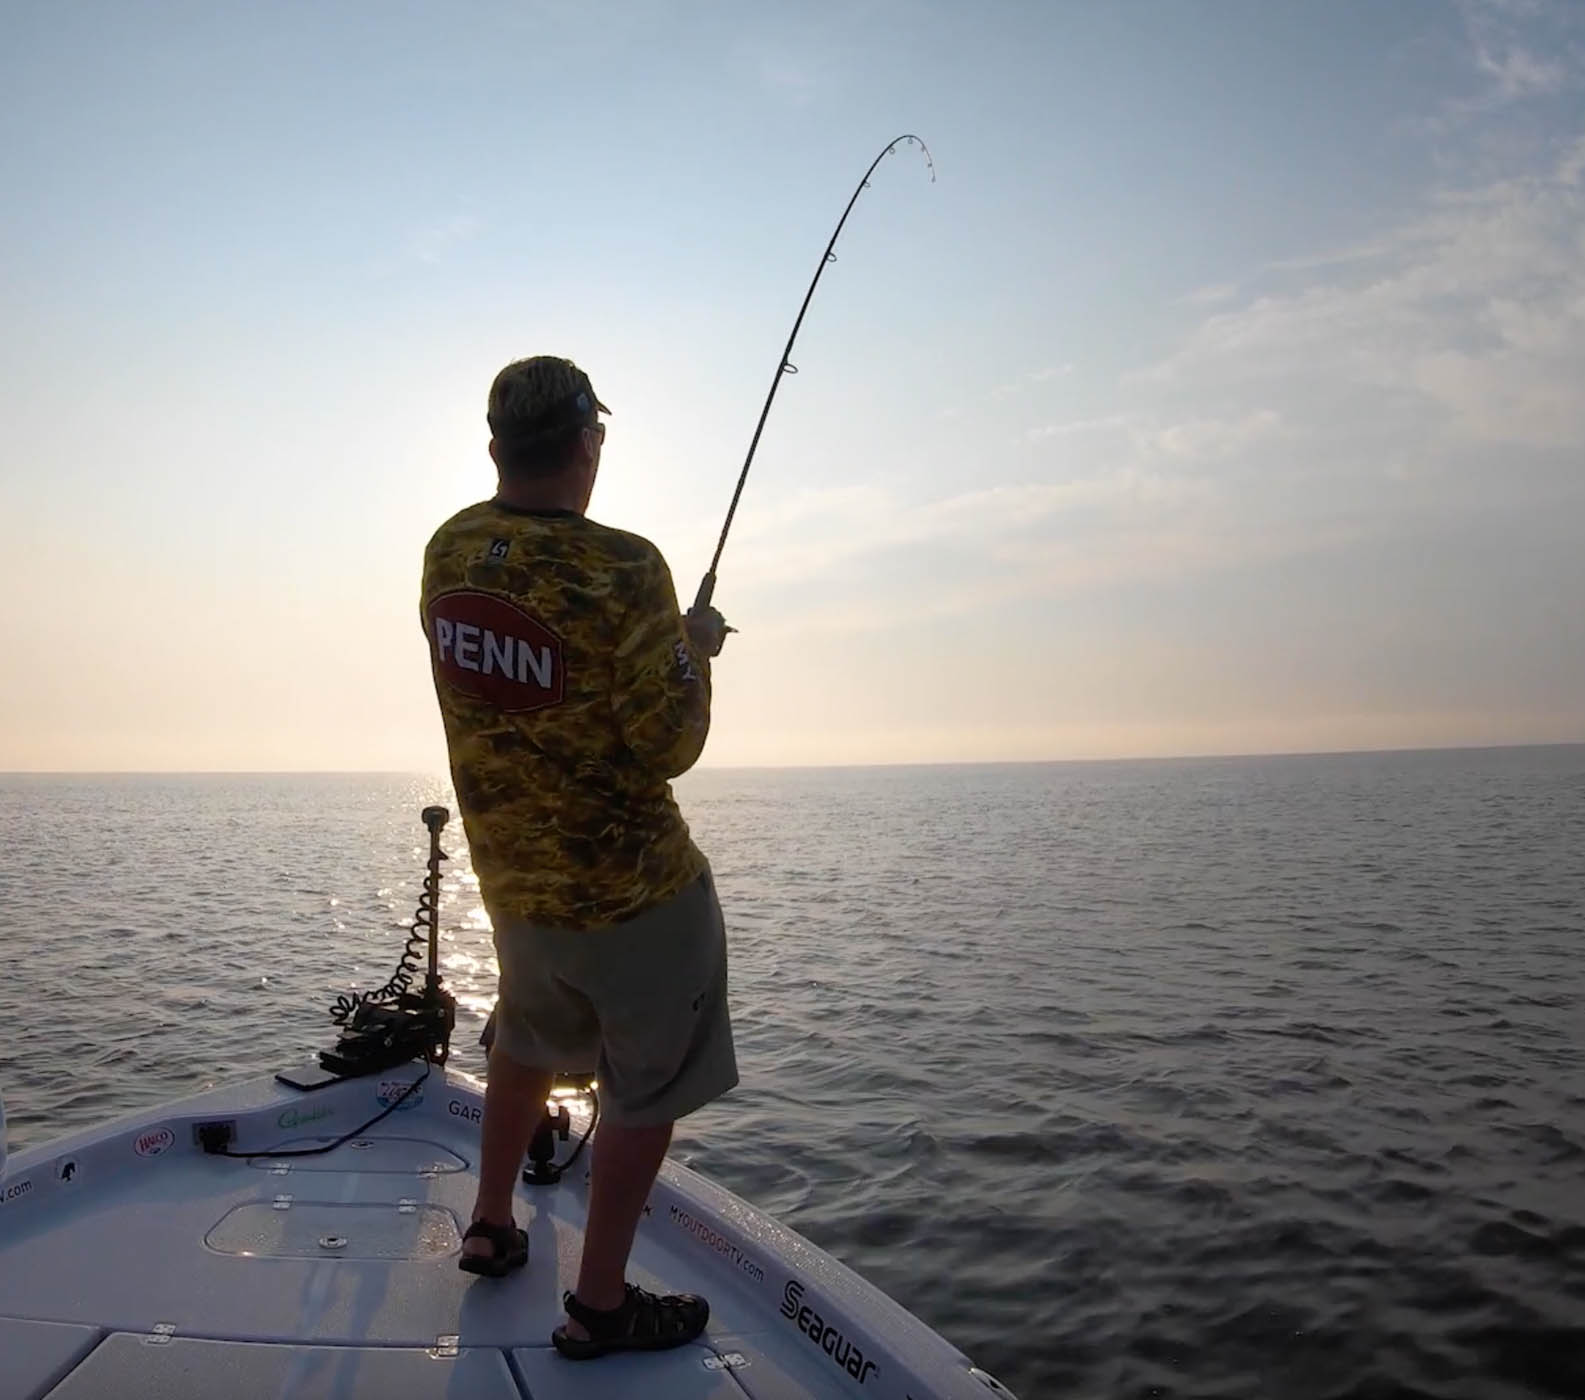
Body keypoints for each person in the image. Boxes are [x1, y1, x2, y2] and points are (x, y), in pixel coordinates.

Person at [420, 355, 735, 1360]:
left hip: (514, 893)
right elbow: (667, 740)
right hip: (635, 901)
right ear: (588, 443)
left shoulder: (447, 550)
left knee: (522, 1038)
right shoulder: (628, 568)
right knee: (645, 1090)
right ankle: (599, 1304)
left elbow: (522, 676)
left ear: (494, 447)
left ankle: (492, 1218)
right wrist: (690, 650)